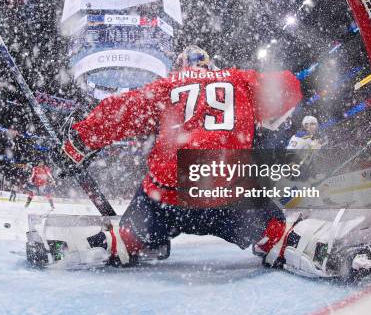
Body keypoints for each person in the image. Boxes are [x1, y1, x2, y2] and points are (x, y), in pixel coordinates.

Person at [61, 45, 302, 267]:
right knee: (266, 217)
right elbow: (288, 87)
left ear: (180, 67)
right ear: (209, 64)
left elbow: (122, 110)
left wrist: (80, 142)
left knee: (136, 226)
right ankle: (279, 239)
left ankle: (115, 242)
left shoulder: (168, 85)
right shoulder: (238, 80)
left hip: (170, 196)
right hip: (228, 193)